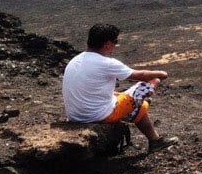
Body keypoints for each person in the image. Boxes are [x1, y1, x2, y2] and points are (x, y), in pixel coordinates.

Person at [62, 24, 179, 153]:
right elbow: (140, 76)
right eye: (115, 42)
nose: (115, 45)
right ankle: (155, 140)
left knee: (124, 99)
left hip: (75, 115)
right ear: (107, 44)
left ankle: (154, 139)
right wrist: (161, 74)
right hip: (97, 115)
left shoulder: (75, 60)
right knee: (151, 83)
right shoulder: (106, 63)